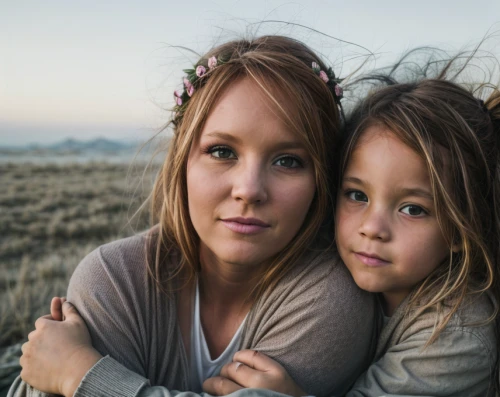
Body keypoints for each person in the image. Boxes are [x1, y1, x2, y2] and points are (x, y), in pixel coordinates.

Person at [9, 36, 378, 397]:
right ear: (183, 159)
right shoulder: (113, 279)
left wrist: (83, 376)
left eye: (288, 161)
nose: (249, 189)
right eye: (221, 151)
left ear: (321, 180)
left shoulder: (331, 302)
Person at [199, 50, 500, 397]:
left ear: (462, 229)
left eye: (413, 209)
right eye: (357, 195)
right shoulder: (332, 259)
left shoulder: (456, 335)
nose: (372, 228)